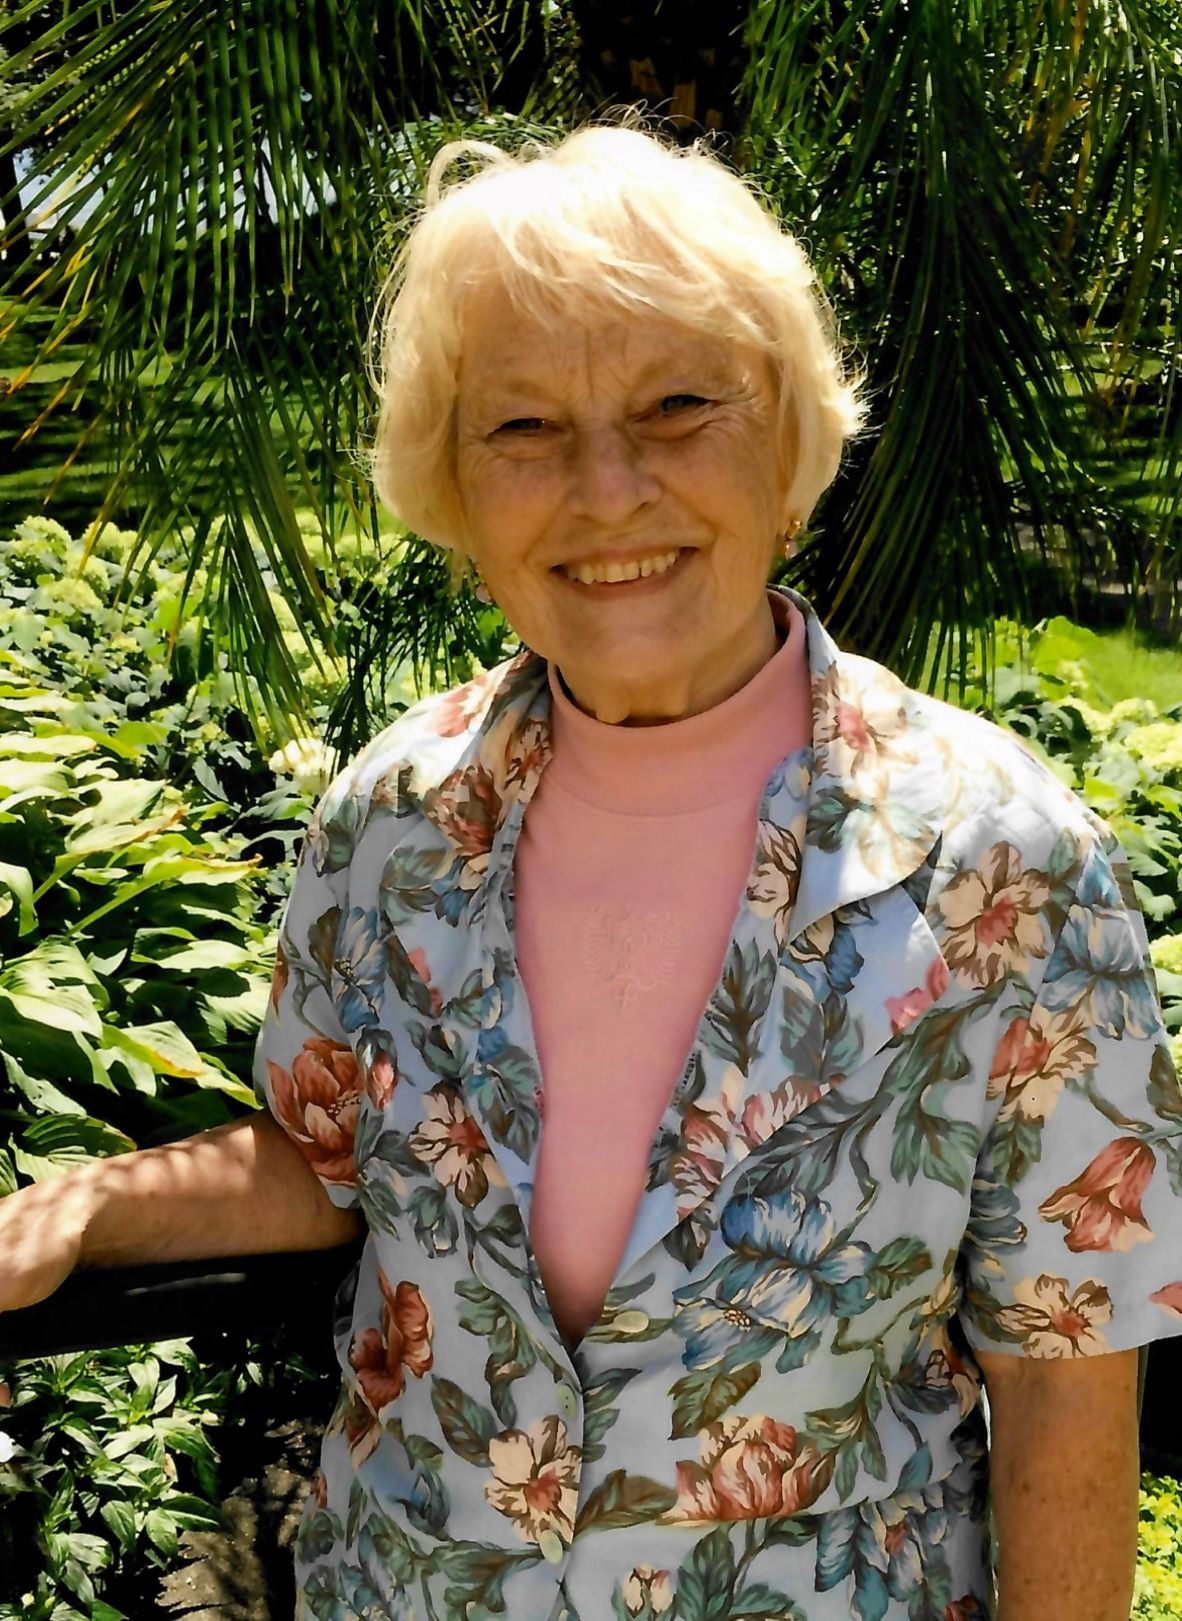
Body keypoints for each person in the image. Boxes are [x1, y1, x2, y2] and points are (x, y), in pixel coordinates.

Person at [2, 122, 1180, 1621]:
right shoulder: (392, 820)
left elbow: (1064, 1368)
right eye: (524, 428)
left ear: (788, 442)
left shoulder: (1002, 864)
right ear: (453, 488)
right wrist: (88, 1210)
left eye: (677, 406)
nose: (607, 488)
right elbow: (330, 1157)